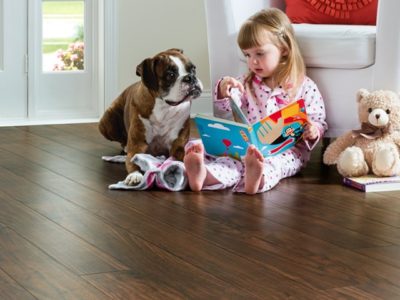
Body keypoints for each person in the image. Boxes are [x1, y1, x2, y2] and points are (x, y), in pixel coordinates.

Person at [184, 8, 327, 194]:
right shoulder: (245, 83)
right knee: (228, 162)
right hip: (245, 147)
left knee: (275, 165)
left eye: (259, 54)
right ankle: (204, 175)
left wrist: (313, 130)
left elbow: (318, 118)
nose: (252, 62)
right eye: (247, 55)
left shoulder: (304, 86)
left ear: (283, 50)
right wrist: (224, 90)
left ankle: (256, 179)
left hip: (287, 152)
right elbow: (226, 111)